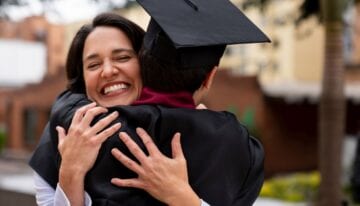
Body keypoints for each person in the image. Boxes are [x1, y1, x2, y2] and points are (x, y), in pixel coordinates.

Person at [30, 0, 270, 205]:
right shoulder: (61, 139)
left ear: (144, 62)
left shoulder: (213, 137)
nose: (108, 71)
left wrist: (183, 197)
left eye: (123, 57)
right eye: (93, 65)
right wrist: (70, 173)